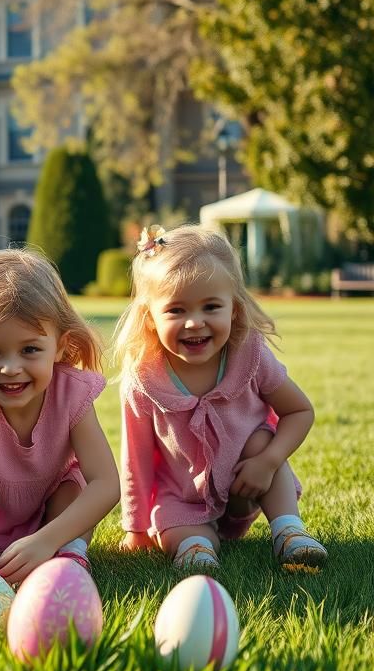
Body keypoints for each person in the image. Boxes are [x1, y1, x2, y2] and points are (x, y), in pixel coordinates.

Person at [114, 224, 327, 571]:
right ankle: (198, 547)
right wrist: (135, 529)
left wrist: (269, 461)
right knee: (181, 532)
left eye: (211, 307)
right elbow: (134, 461)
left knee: (260, 438)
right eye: (176, 311)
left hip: (249, 483)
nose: (194, 323)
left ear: (235, 309)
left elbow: (299, 411)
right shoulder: (143, 379)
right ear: (149, 318)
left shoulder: (250, 355)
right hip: (182, 498)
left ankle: (290, 532)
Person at [0, 248, 119, 596]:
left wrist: (48, 540)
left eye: (29, 350)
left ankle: (71, 556)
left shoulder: (70, 393)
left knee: (72, 488)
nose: (11, 368)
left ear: (60, 347)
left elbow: (105, 484)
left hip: (55, 517)